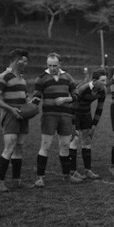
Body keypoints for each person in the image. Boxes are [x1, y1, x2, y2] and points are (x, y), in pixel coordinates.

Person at [31, 53, 79, 187]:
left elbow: (76, 95)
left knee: (65, 146)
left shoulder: (67, 77)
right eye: (49, 65)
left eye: (54, 65)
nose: (52, 68)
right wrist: (30, 105)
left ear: (60, 64)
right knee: (45, 146)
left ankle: (66, 176)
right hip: (49, 116)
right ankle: (40, 178)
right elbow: (36, 95)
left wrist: (66, 99)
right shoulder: (41, 78)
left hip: (65, 115)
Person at [0, 48, 31, 192]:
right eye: (23, 61)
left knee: (19, 148)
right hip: (10, 116)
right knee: (10, 147)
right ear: (15, 60)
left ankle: (16, 181)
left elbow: (25, 97)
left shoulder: (22, 78)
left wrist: (31, 104)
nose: (26, 63)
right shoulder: (4, 76)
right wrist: (11, 109)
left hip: (22, 116)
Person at [68, 68, 107, 181]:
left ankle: (88, 170)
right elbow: (72, 108)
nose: (105, 83)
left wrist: (94, 126)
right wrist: (74, 126)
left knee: (87, 141)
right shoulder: (82, 89)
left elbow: (99, 109)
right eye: (103, 80)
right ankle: (72, 171)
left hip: (86, 115)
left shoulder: (102, 90)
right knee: (74, 140)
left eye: (106, 80)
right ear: (94, 80)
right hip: (74, 115)